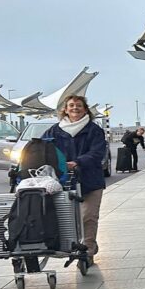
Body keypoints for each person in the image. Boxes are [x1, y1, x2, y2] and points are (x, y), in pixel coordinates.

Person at [42, 95, 108, 264]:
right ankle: (84, 244)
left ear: (85, 109)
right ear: (65, 109)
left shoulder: (94, 130)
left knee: (88, 217)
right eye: (71, 105)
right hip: (63, 180)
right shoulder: (54, 130)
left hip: (90, 180)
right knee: (68, 218)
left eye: (79, 105)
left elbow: (97, 152)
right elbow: (43, 148)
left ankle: (88, 252)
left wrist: (78, 162)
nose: (75, 108)